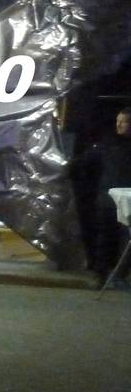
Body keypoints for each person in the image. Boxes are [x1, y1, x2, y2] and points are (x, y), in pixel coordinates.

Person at [80, 107, 131, 283]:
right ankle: (100, 274)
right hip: (107, 198)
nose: (119, 125)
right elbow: (87, 164)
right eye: (118, 121)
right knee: (104, 236)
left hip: (127, 200)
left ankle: (120, 274)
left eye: (124, 121)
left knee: (125, 238)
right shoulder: (107, 145)